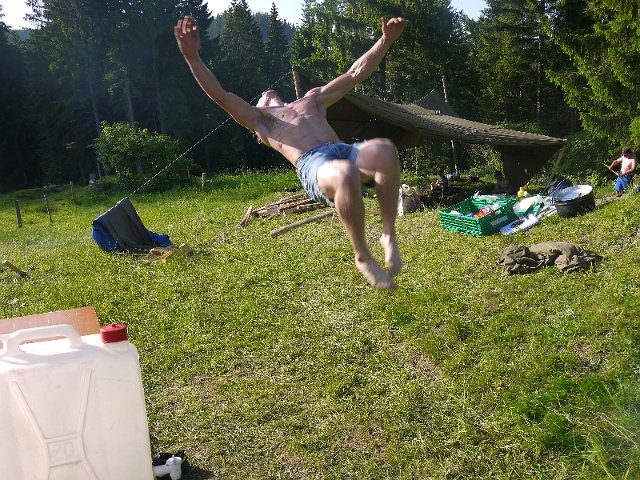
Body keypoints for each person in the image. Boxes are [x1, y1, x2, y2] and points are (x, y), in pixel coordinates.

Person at [174, 15, 408, 289]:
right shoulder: (262, 120)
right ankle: (363, 256)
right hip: (314, 162)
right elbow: (221, 96)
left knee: (384, 150)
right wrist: (192, 58)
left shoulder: (312, 100)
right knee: (344, 173)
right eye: (262, 95)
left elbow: (354, 74)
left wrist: (385, 40)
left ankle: (388, 234)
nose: (267, 92)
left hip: (342, 148)